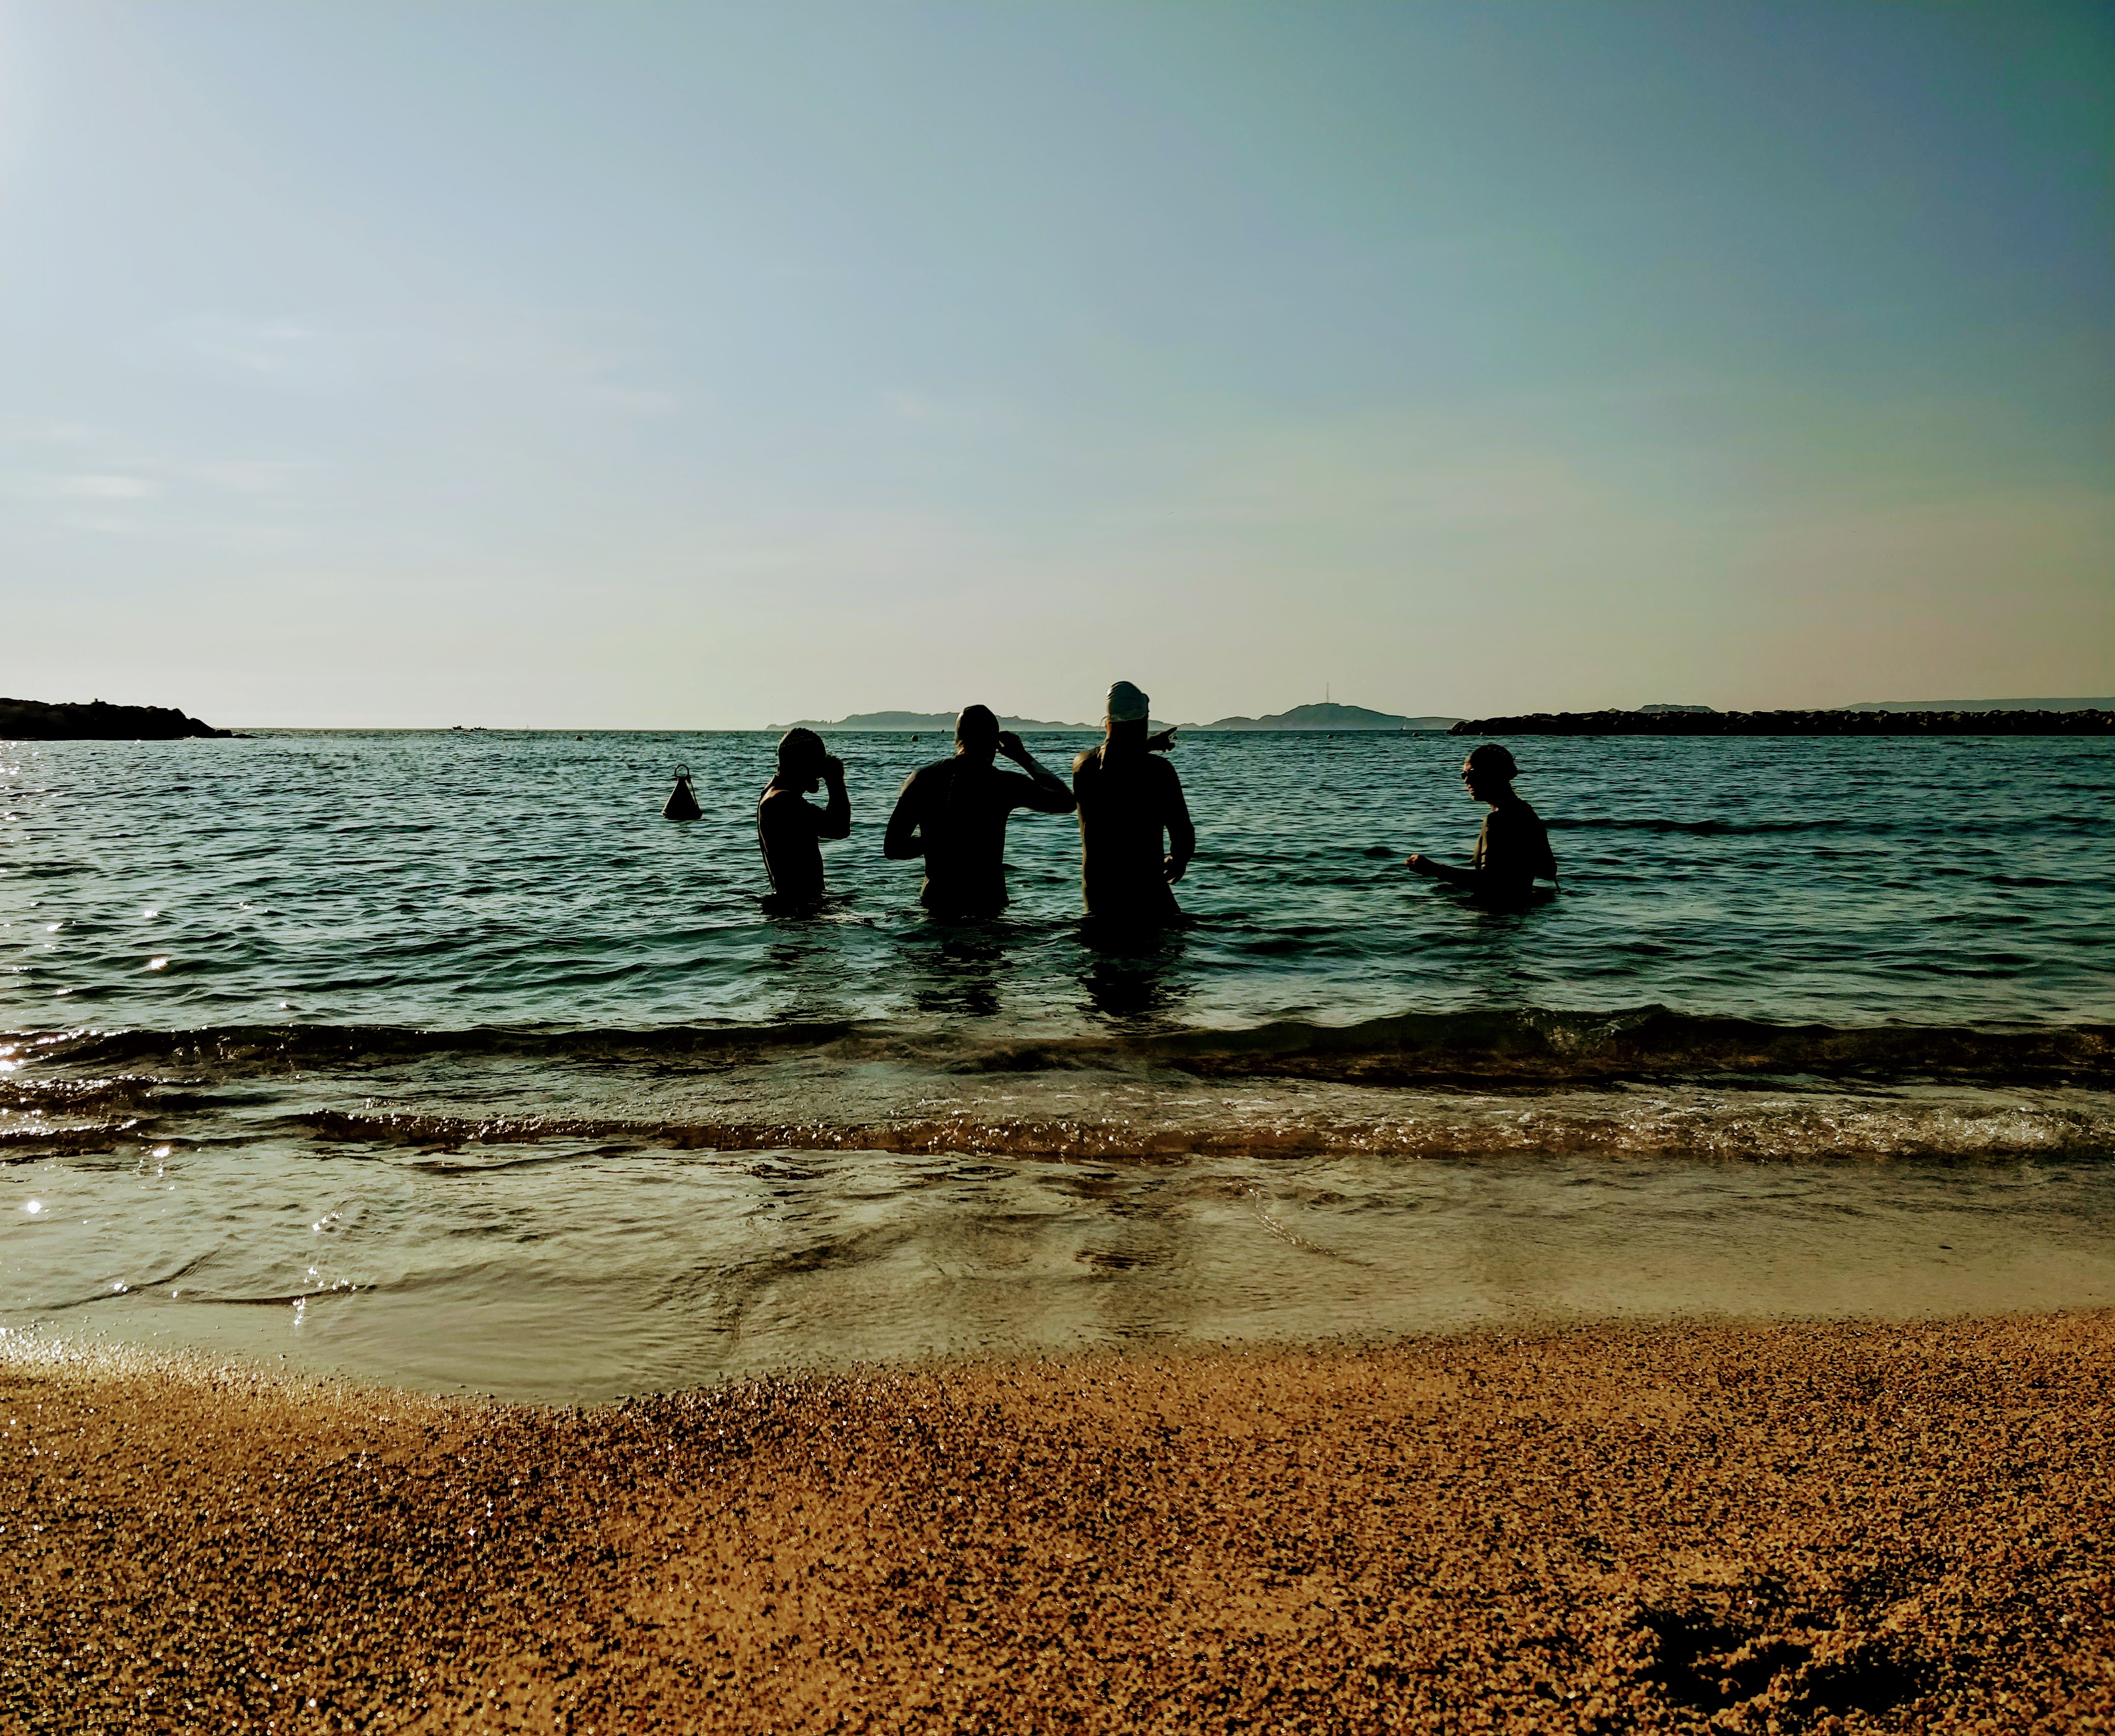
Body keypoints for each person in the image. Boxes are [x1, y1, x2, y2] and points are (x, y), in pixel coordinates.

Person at [884, 705, 1075, 917]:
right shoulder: (1003, 784)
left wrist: (940, 839)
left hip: (938, 901)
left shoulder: (922, 779)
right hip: (987, 901)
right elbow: (1067, 802)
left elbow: (893, 848)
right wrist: (1023, 757)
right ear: (995, 744)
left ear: (957, 740)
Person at [1071, 680, 1194, 925]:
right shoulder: (1159, 772)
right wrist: (1179, 858)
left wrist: (1147, 746)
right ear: (1144, 720)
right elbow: (1183, 834)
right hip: (1146, 895)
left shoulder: (1083, 766)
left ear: (1107, 721)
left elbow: (1115, 766)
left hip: (1099, 896)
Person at [1404, 741, 1557, 904]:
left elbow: (1489, 882)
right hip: (1520, 915)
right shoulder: (1527, 814)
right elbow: (1548, 871)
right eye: (1464, 775)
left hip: (1496, 915)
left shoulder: (1497, 820)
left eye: (1473, 773)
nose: (1467, 780)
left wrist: (1434, 869)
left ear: (1495, 773)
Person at [757, 728, 850, 915]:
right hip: (799, 910)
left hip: (792, 907)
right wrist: (836, 780)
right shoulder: (784, 801)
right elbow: (839, 829)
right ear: (801, 762)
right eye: (818, 762)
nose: (820, 772)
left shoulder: (770, 793)